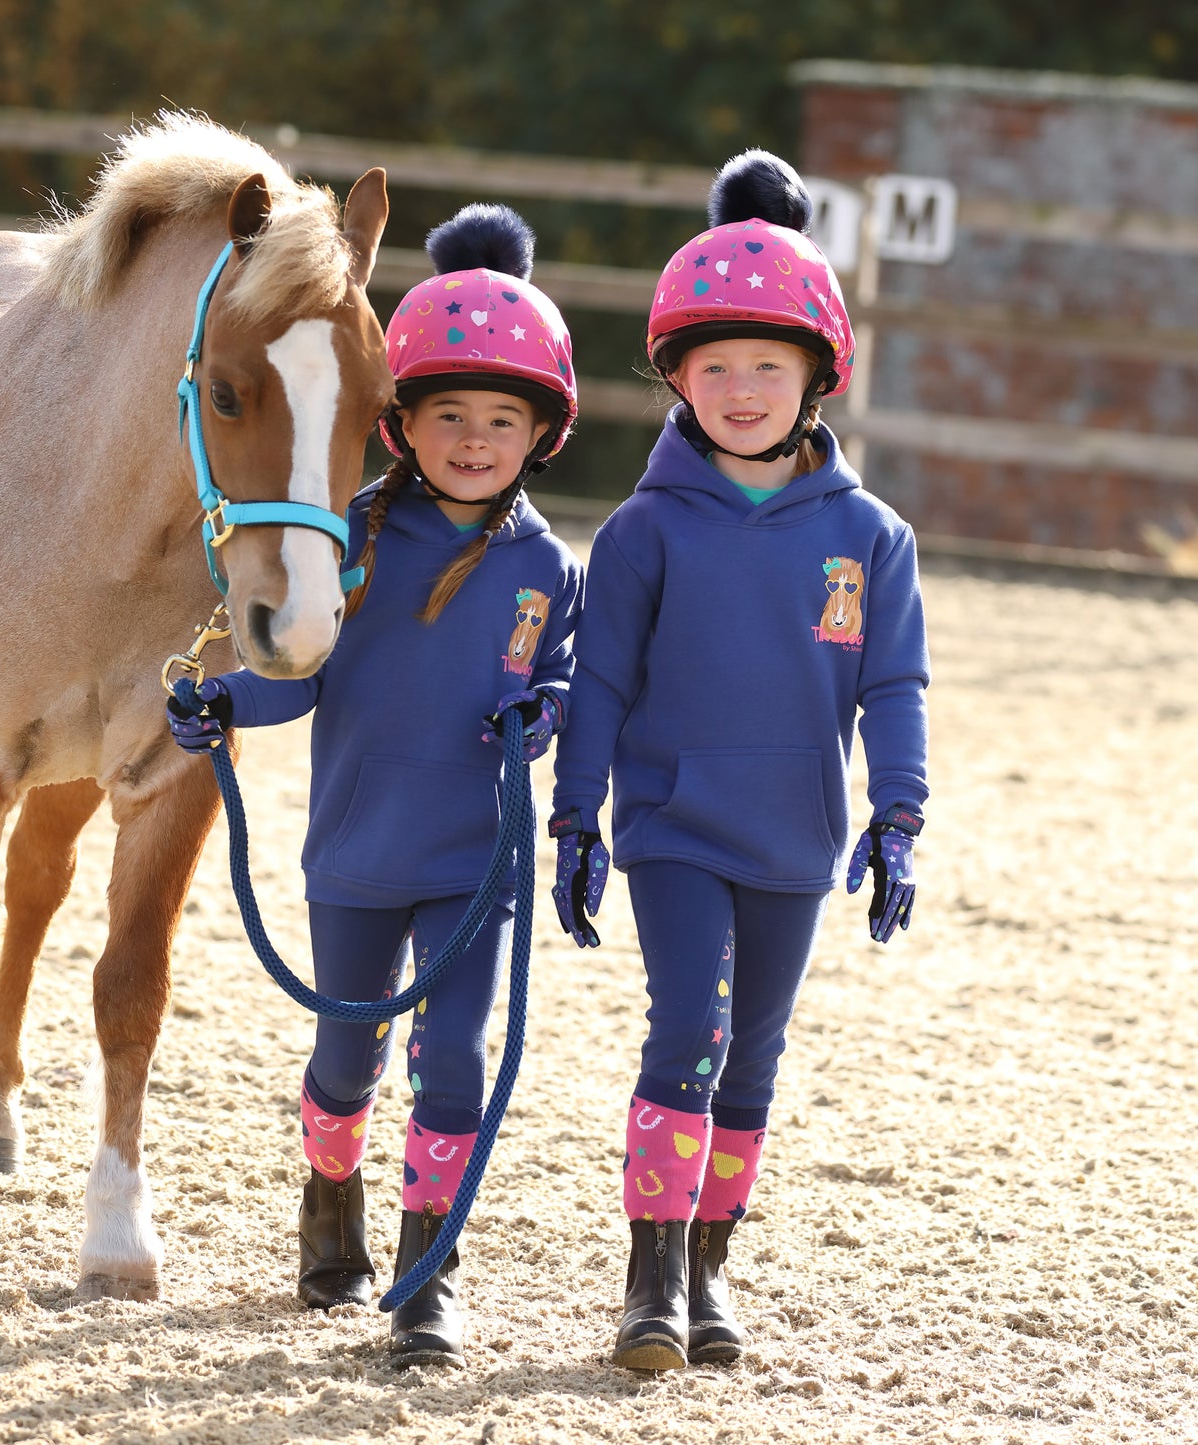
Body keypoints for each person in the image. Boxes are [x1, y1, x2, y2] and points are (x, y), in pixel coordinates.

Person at [168, 203, 583, 1369]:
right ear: (399, 422)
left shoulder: (548, 567)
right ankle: (330, 1200)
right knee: (343, 1061)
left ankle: (426, 1274)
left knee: (452, 1060)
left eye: (500, 419)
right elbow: (294, 683)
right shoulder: (348, 537)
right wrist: (219, 702)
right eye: (447, 414)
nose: (471, 438)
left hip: (474, 864)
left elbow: (562, 687)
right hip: (354, 853)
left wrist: (544, 715)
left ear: (539, 432)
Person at [548, 150, 929, 1371]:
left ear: (816, 374)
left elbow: (890, 687)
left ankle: (709, 1273)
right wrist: (575, 816)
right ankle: (647, 1282)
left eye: (767, 365)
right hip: (669, 825)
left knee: (753, 1056)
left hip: (796, 835)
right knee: (688, 1034)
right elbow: (597, 681)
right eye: (714, 366)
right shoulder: (643, 529)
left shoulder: (872, 539)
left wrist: (899, 815)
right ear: (677, 376)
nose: (741, 387)